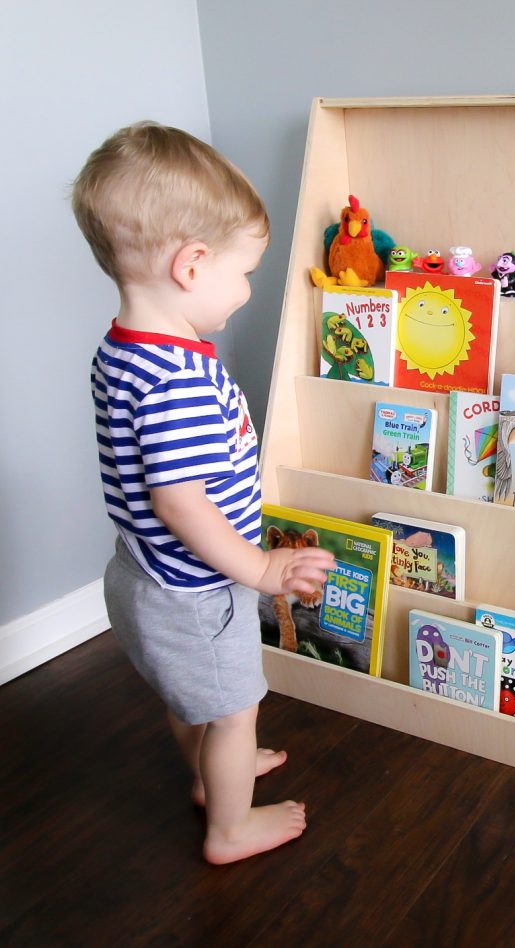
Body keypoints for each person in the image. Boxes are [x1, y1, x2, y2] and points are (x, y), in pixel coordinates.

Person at [73, 122, 336, 865]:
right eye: (244, 271)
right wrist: (259, 570)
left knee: (193, 696)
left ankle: (211, 765)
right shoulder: (179, 380)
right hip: (194, 592)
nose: (247, 289)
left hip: (138, 575)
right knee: (235, 707)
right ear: (192, 265)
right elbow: (180, 501)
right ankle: (229, 825)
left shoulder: (124, 349)